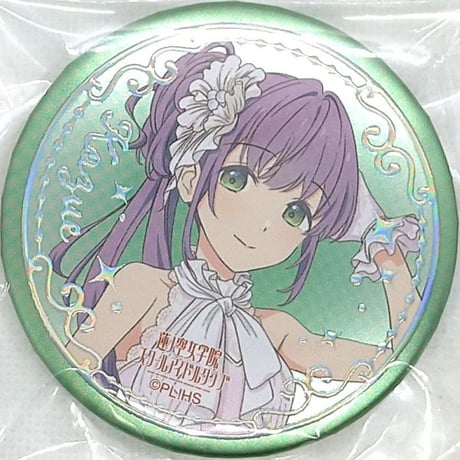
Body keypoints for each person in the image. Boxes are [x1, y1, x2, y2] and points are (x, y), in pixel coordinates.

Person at [50, 42, 421, 431]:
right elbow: (73, 374)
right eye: (237, 179)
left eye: (295, 212)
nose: (261, 224)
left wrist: (384, 246)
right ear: (191, 179)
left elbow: (393, 361)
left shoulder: (276, 332)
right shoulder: (142, 287)